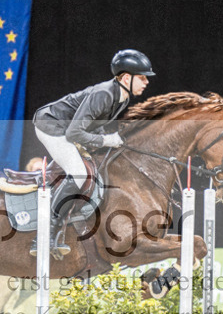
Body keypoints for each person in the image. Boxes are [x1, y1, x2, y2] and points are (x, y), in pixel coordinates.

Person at [31, 49, 155, 255]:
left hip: (65, 127)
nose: (146, 82)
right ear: (126, 77)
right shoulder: (104, 93)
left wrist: (109, 139)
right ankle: (45, 233)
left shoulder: (122, 97)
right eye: (142, 77)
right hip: (51, 126)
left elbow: (92, 124)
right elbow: (73, 133)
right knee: (79, 175)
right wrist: (105, 140)